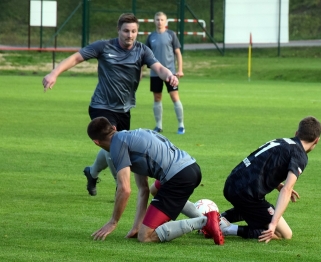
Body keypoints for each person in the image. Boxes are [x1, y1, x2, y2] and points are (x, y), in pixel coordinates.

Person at [42, 13, 180, 197]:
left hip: (124, 108)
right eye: (126, 31)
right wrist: (54, 73)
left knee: (113, 146)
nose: (129, 35)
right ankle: (120, 186)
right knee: (115, 143)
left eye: (133, 31)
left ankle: (92, 172)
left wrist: (169, 75)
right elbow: (76, 58)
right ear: (118, 30)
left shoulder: (142, 50)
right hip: (101, 106)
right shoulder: (104, 46)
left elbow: (159, 68)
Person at [86, 116, 224, 245]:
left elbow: (125, 189)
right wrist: (136, 227)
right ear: (114, 128)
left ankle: (205, 221)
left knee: (145, 236)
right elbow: (143, 189)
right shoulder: (130, 137)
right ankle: (210, 222)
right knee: (154, 190)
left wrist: (113, 222)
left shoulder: (117, 147)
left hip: (178, 178)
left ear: (96, 142)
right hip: (191, 167)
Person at [219, 116, 321, 243]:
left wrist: (277, 185)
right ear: (317, 140)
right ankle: (227, 229)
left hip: (232, 183)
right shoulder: (300, 155)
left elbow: (260, 165)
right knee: (284, 234)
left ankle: (217, 219)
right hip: (246, 194)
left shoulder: (282, 141)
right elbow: (287, 190)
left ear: (296, 133)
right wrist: (273, 224)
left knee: (253, 211)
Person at [145, 11, 185, 135]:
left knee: (174, 97)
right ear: (154, 21)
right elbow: (145, 55)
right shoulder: (151, 37)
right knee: (157, 98)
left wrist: (180, 69)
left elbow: (178, 53)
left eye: (162, 20)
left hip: (170, 73)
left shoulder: (171, 35)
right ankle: (158, 125)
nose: (159, 22)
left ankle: (181, 125)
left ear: (166, 21)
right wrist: (140, 71)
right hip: (155, 73)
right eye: (157, 19)